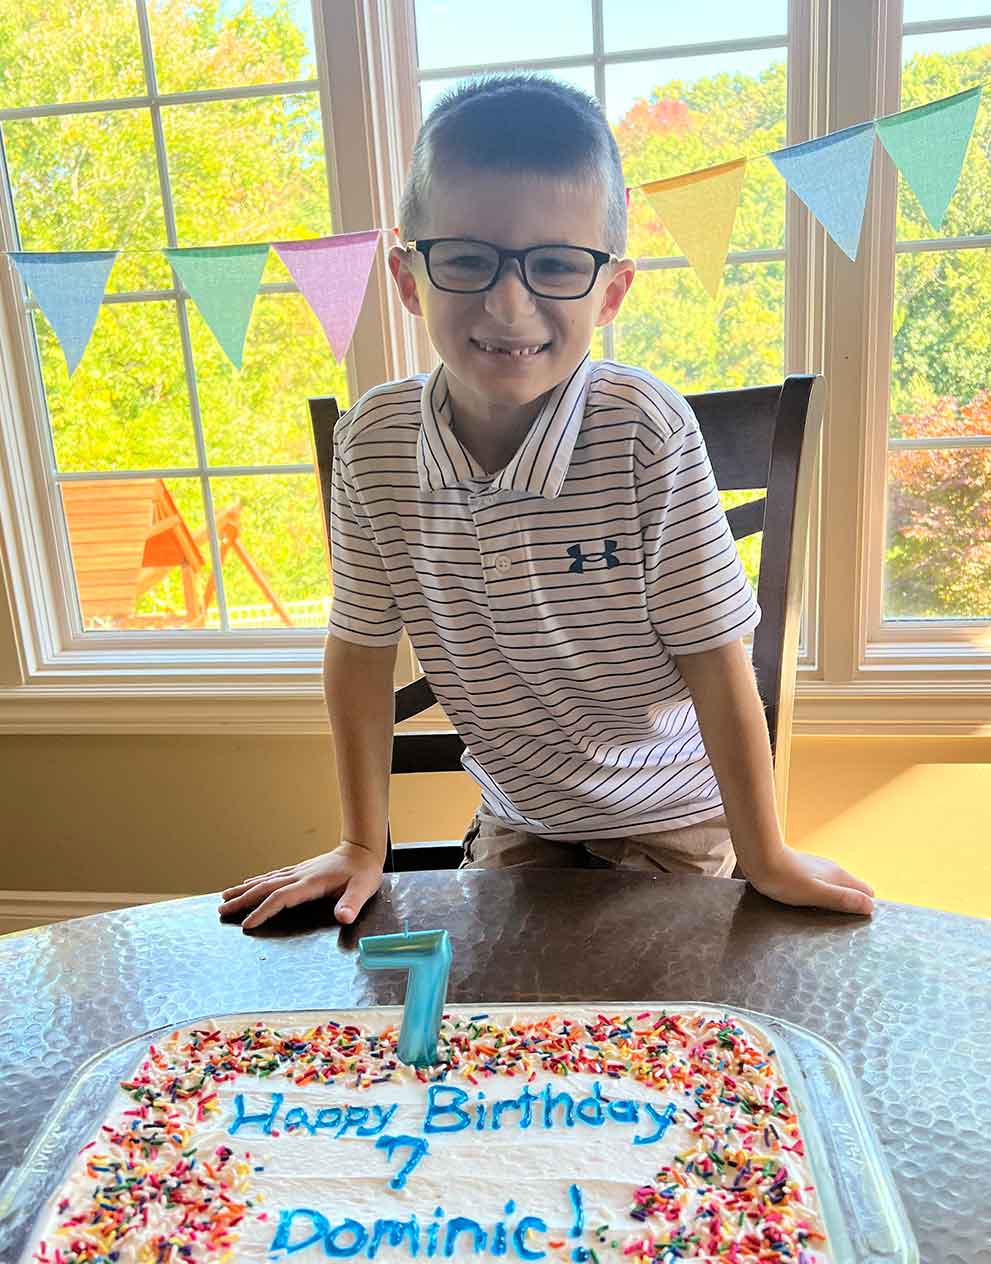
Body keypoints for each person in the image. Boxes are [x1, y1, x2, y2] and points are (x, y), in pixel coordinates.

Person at [220, 74, 874, 932]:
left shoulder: (644, 430)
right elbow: (358, 652)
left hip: (677, 822)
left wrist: (766, 855)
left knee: (656, 1041)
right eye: (465, 258)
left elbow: (721, 667)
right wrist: (359, 842)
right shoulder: (372, 442)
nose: (509, 302)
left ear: (610, 292)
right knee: (492, 1037)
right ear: (409, 276)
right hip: (519, 824)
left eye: (557, 264)